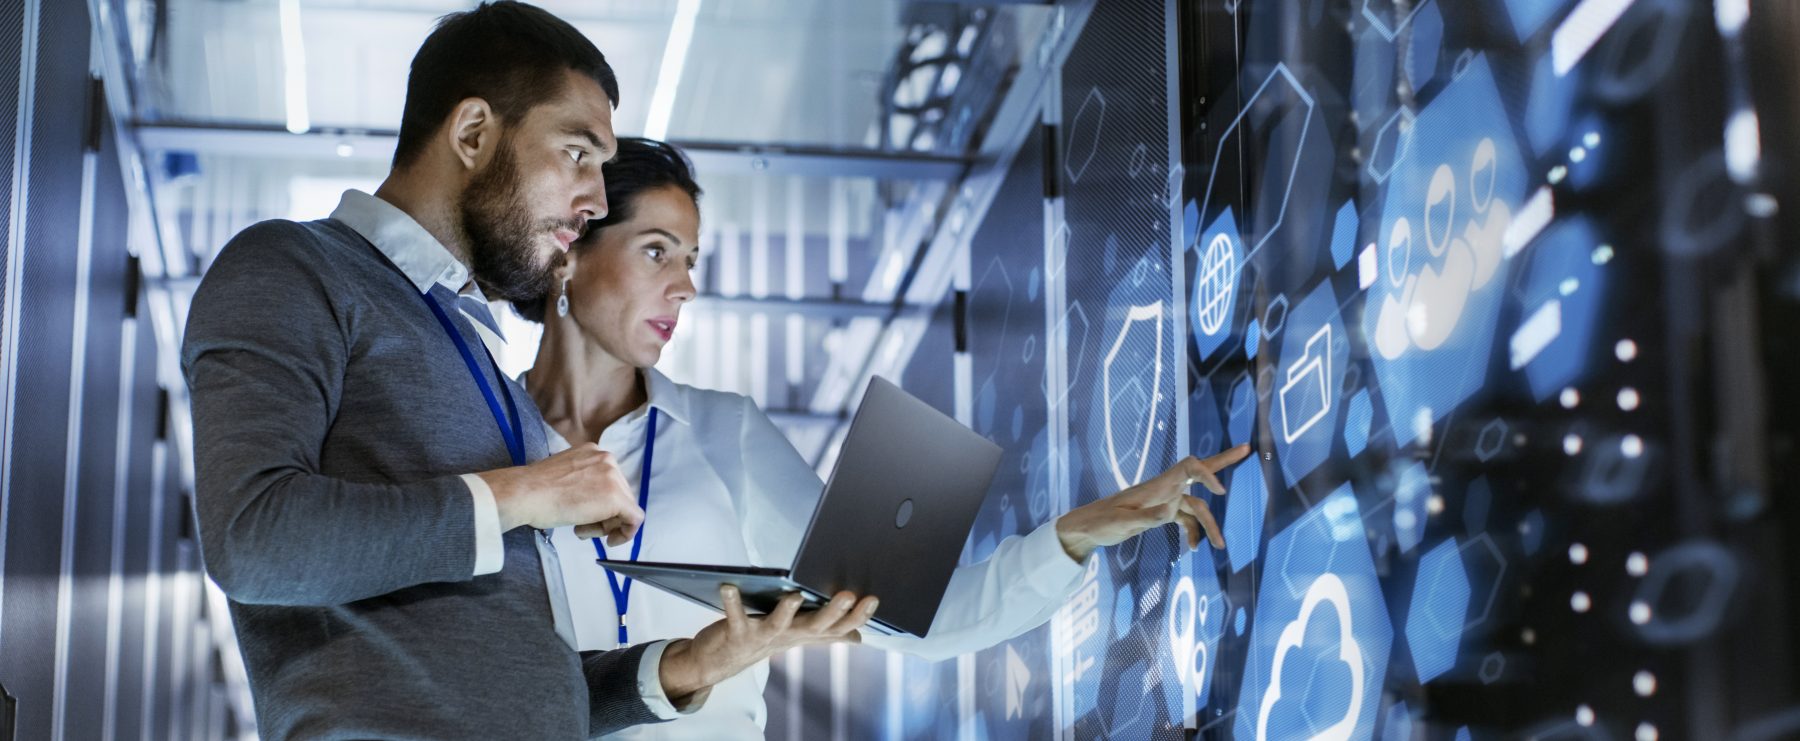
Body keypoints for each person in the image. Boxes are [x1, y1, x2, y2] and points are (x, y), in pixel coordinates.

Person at [181, 5, 870, 739]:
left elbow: (516, 676)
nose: (597, 200)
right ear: (474, 132)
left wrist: (684, 666)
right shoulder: (292, 268)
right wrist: (527, 491)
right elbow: (253, 539)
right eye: (579, 154)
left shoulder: (471, 349)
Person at [514, 137, 1254, 738]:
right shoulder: (488, 449)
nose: (685, 287)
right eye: (656, 251)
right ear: (571, 249)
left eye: (690, 260)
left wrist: (1081, 532)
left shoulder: (721, 432)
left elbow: (914, 622)